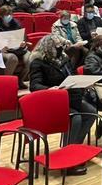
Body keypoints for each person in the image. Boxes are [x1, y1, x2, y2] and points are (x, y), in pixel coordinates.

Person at [28, 35, 95, 175]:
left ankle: (73, 148)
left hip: (70, 96)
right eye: (57, 46)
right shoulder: (38, 62)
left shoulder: (64, 59)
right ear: (48, 48)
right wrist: (49, 89)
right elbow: (34, 85)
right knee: (75, 117)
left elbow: (73, 75)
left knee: (91, 112)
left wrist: (83, 82)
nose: (60, 49)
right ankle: (68, 162)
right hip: (51, 100)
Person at [0, 5, 31, 87]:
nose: (9, 16)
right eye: (6, 15)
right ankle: (7, 83)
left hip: (19, 49)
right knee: (13, 58)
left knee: (30, 59)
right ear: (1, 16)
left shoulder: (16, 23)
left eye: (10, 14)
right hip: (4, 50)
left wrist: (23, 42)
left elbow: (24, 36)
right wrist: (0, 47)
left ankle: (20, 80)